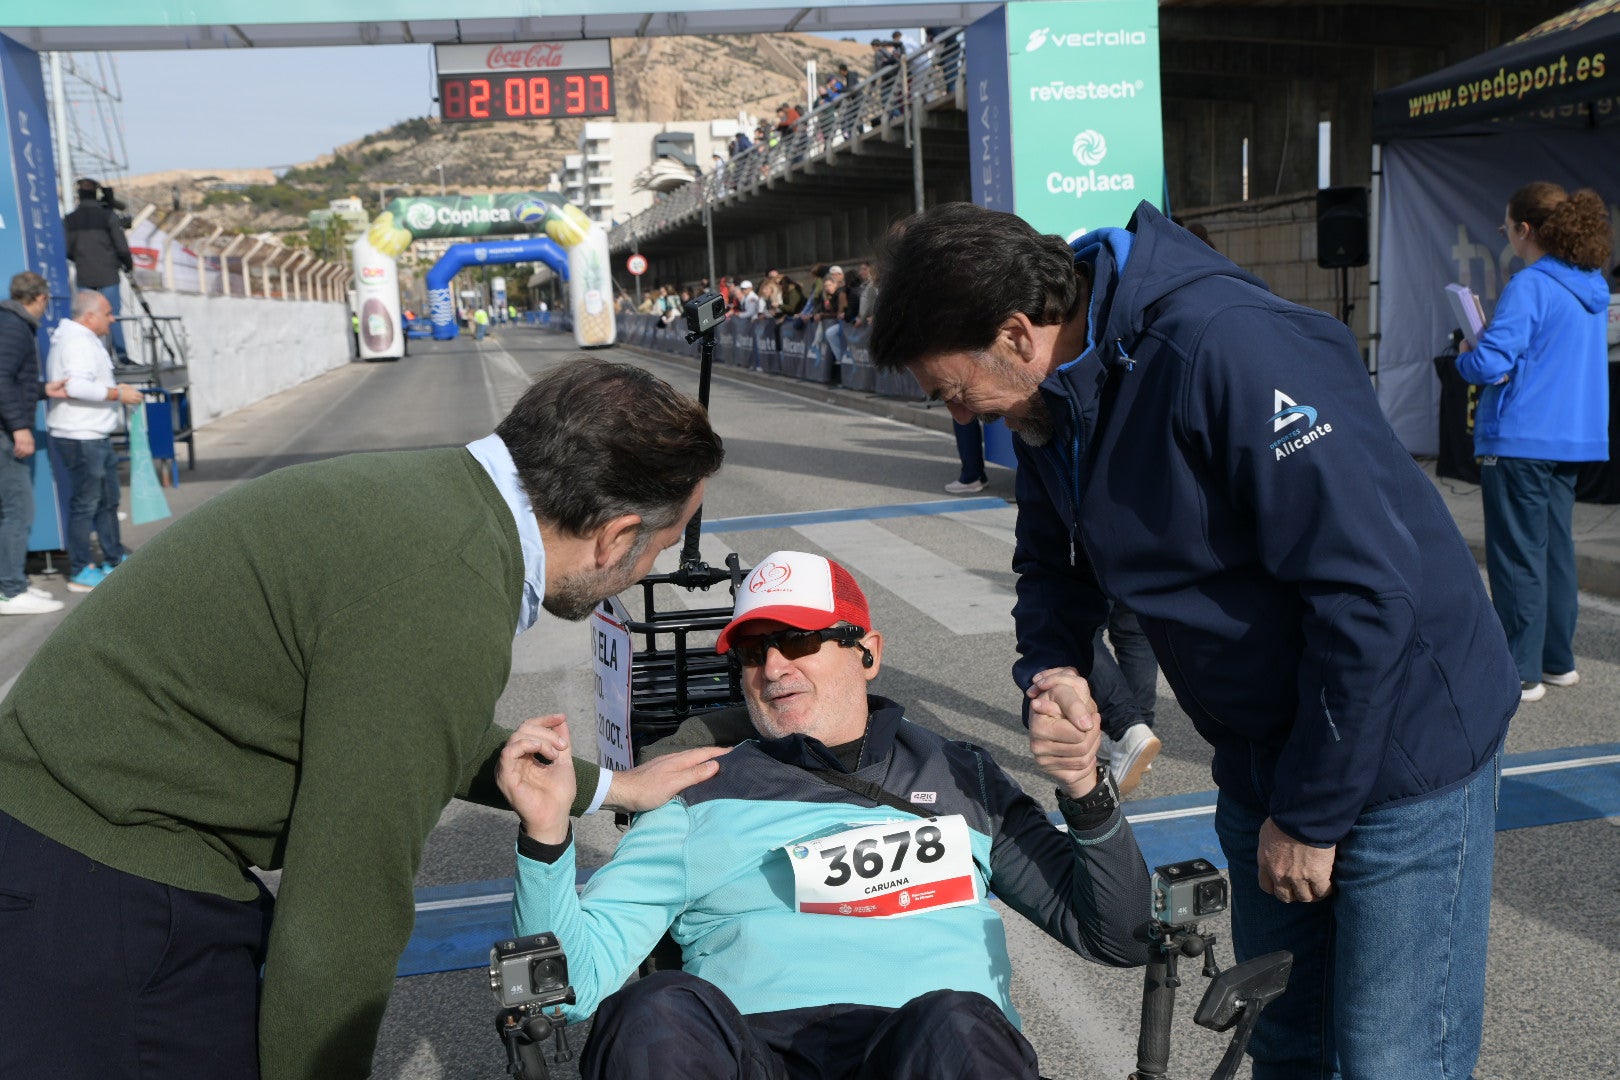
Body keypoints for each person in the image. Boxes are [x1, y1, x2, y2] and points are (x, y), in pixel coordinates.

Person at [871, 200, 1518, 1080]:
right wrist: (1055, 663)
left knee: (1392, 1056)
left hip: (1401, 747)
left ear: (1018, 333)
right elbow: (1050, 562)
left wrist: (1311, 813)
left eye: (952, 391)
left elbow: (1367, 595)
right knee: (1280, 1036)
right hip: (1262, 749)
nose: (962, 414)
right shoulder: (1055, 397)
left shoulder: (1226, 348)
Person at [0, 359, 730, 1080]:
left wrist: (613, 788)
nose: (645, 569)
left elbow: (397, 718)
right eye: (661, 549)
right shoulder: (447, 590)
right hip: (101, 877)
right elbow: (345, 906)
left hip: (77, 826)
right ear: (614, 535)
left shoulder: (434, 502)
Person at [499, 549, 1150, 1080]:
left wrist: (1084, 789)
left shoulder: (961, 775)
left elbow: (1118, 937)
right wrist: (547, 834)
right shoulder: (696, 788)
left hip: (927, 1050)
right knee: (653, 1008)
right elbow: (570, 987)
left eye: (797, 640)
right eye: (752, 652)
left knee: (955, 1022)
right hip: (757, 1052)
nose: (772, 668)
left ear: (867, 650)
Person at [1456, 183, 1611, 703]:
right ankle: (1556, 661)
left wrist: (1466, 353)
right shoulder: (1589, 286)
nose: (1506, 237)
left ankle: (1521, 670)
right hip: (1573, 437)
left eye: (1505, 229)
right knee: (1555, 552)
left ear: (1523, 230)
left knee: (1517, 555)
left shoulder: (1530, 285)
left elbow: (1491, 362)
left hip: (1521, 434)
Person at [47, 290, 143, 593]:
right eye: (108, 313)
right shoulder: (76, 342)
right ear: (89, 316)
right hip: (81, 435)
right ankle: (80, 570)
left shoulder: (83, 339)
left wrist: (115, 387)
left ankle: (113, 558)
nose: (112, 318)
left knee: (107, 501)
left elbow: (89, 382)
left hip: (92, 433)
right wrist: (117, 394)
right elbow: (76, 385)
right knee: (86, 504)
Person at [0, 271, 61, 615]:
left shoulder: (10, 323)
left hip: (6, 428)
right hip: (5, 434)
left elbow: (13, 380)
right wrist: (20, 427)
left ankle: (13, 584)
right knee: (17, 510)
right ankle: (10, 590)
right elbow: (1, 378)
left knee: (11, 510)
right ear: (40, 299)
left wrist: (43, 390)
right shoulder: (13, 326)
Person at [63, 177, 133, 364]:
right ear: (97, 193)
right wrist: (127, 263)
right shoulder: (107, 216)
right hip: (108, 274)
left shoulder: (70, 219)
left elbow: (67, 250)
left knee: (86, 317)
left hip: (84, 274)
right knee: (112, 315)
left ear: (79, 194)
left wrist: (82, 259)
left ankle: (92, 358)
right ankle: (121, 356)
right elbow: (121, 246)